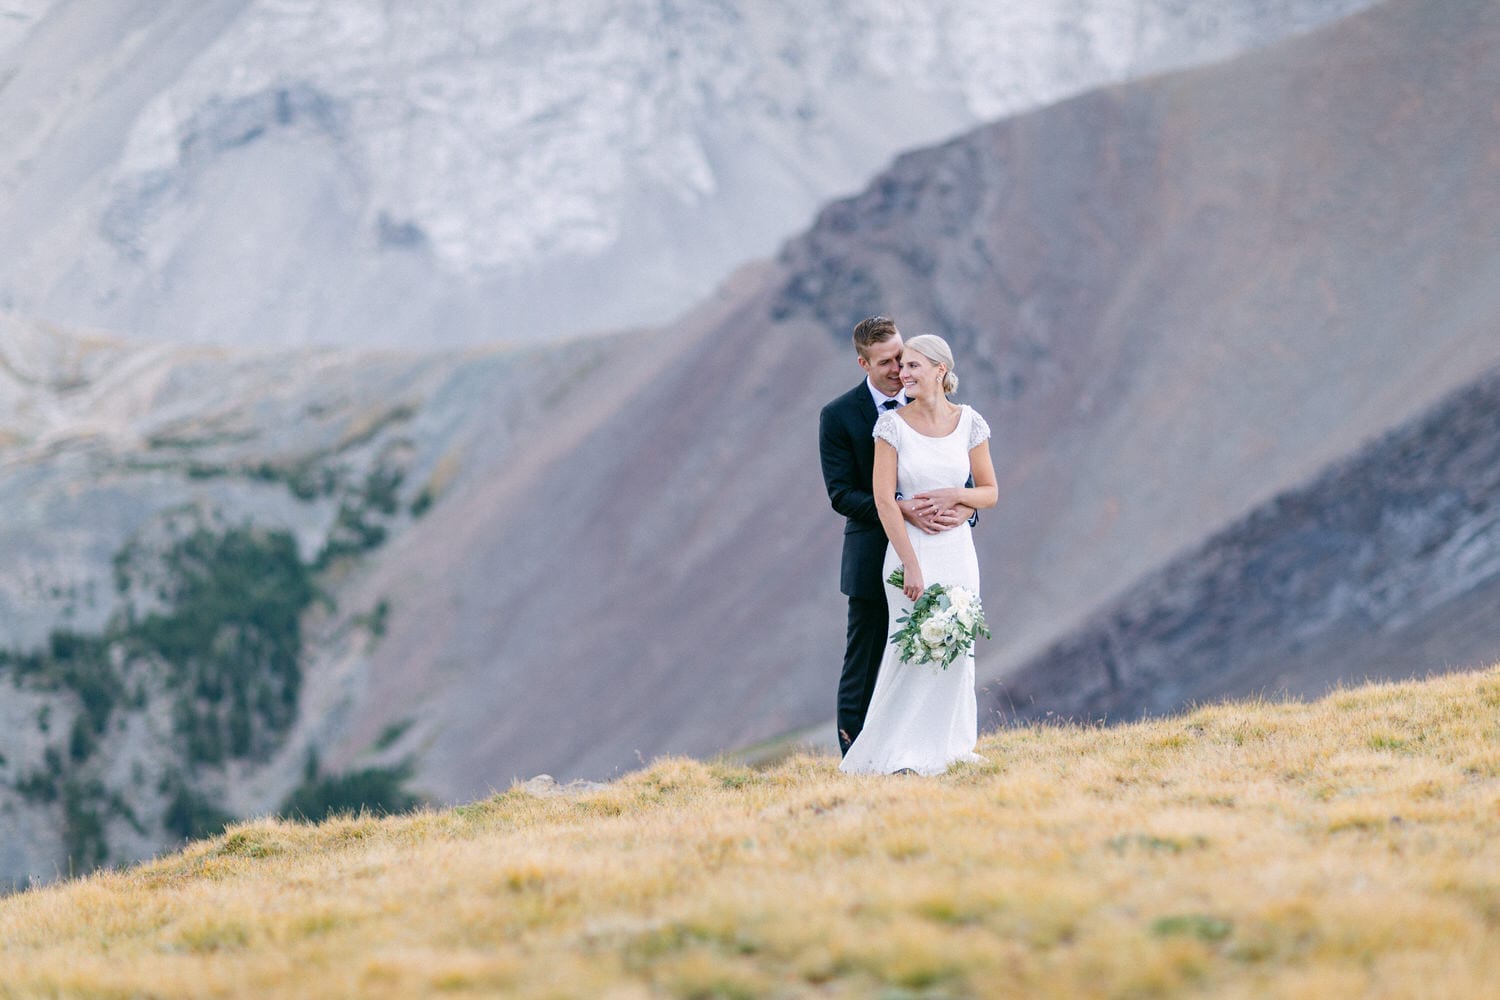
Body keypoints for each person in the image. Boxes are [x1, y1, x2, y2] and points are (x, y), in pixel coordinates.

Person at [839, 333, 997, 776]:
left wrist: (957, 497)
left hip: (957, 552)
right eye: (901, 366)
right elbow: (885, 499)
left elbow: (990, 491)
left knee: (957, 646)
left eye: (912, 367)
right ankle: (899, 751)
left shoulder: (970, 422)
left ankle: (950, 746)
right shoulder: (890, 426)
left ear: (939, 371)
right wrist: (909, 562)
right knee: (910, 647)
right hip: (913, 550)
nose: (902, 375)